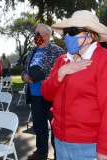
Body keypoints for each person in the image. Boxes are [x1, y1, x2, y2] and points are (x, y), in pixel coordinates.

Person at [41, 10, 107, 160]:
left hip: (90, 147)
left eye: (72, 31)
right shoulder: (62, 61)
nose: (66, 37)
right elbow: (46, 93)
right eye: (66, 32)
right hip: (60, 142)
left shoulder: (103, 60)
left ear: (90, 35)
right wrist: (60, 74)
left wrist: (104, 147)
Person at [22, 23, 64, 160]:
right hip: (35, 95)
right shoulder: (32, 51)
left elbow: (62, 73)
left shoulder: (57, 51)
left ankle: (58, 154)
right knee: (39, 125)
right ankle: (41, 152)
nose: (36, 36)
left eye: (38, 34)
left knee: (55, 126)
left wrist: (45, 76)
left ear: (47, 35)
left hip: (51, 96)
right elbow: (24, 69)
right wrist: (24, 76)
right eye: (35, 33)